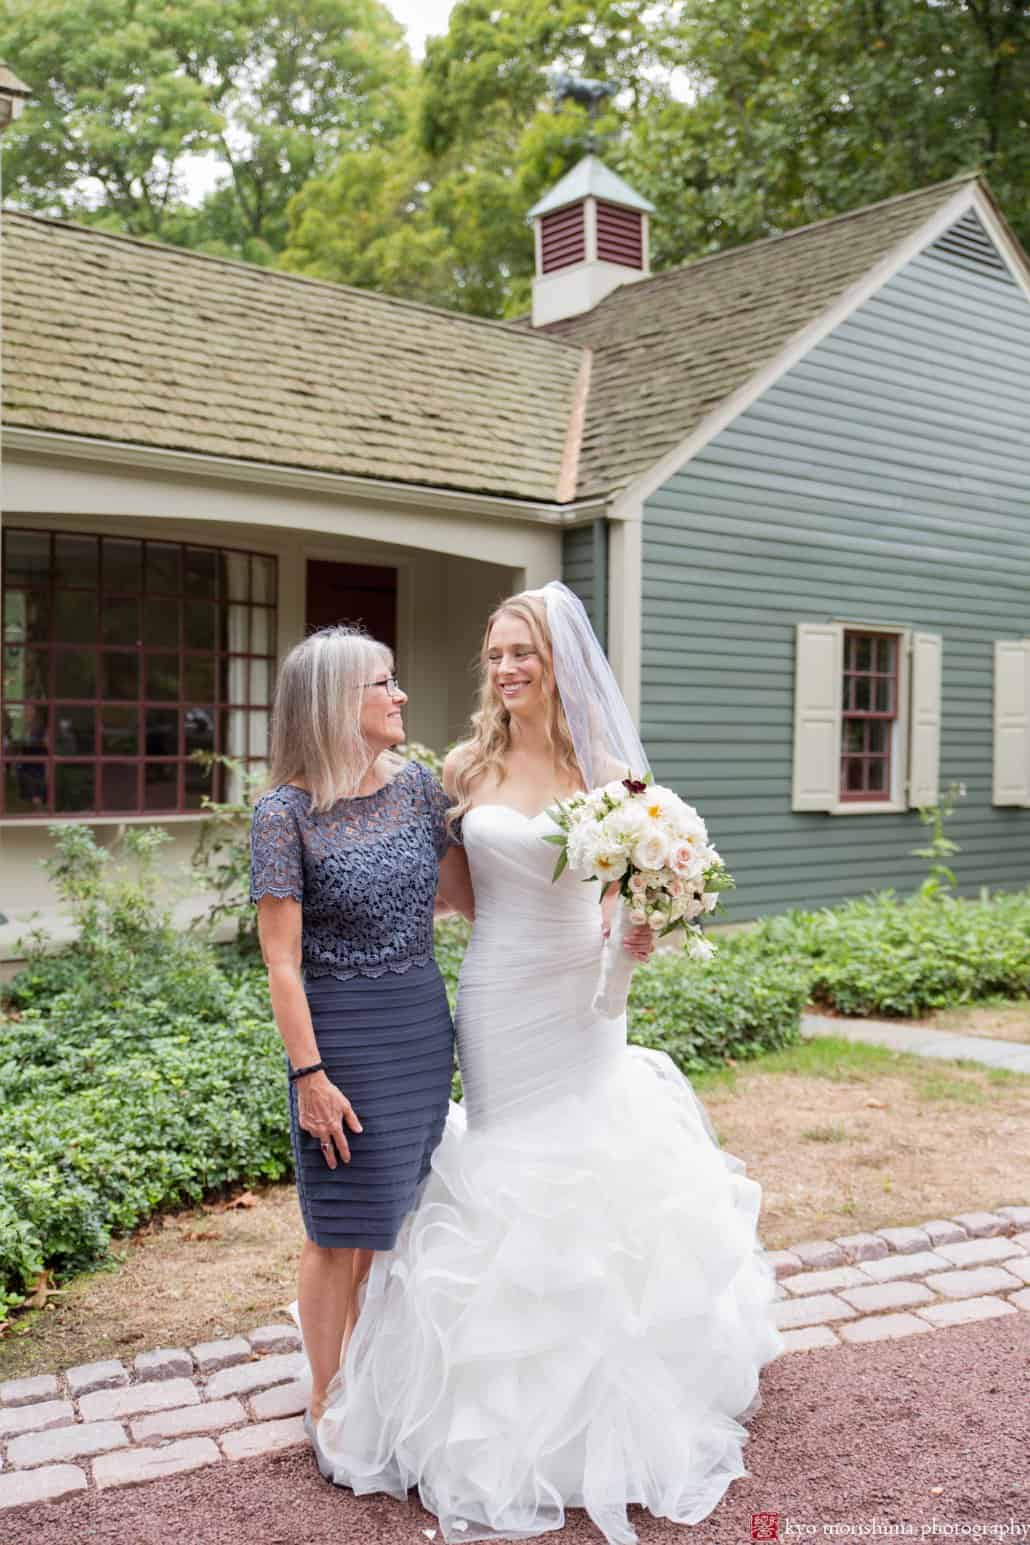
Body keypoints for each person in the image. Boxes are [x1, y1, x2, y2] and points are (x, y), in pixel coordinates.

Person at [312, 584, 783, 1544]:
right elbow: (449, 895)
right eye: (494, 654)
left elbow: (625, 899)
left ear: (559, 659)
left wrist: (632, 944)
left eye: (522, 650)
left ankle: (599, 1398)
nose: (506, 667)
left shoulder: (604, 769)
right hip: (495, 995)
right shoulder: (461, 767)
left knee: (585, 1167)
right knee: (503, 1166)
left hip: (579, 999)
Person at [249, 625, 473, 1438]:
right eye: (383, 683)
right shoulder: (285, 814)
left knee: (387, 1221)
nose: (400, 694)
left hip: (419, 1027)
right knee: (336, 1226)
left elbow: (466, 900)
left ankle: (368, 1377)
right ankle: (325, 1394)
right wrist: (309, 1075)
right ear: (337, 702)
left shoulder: (419, 790)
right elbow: (280, 962)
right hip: (340, 1039)